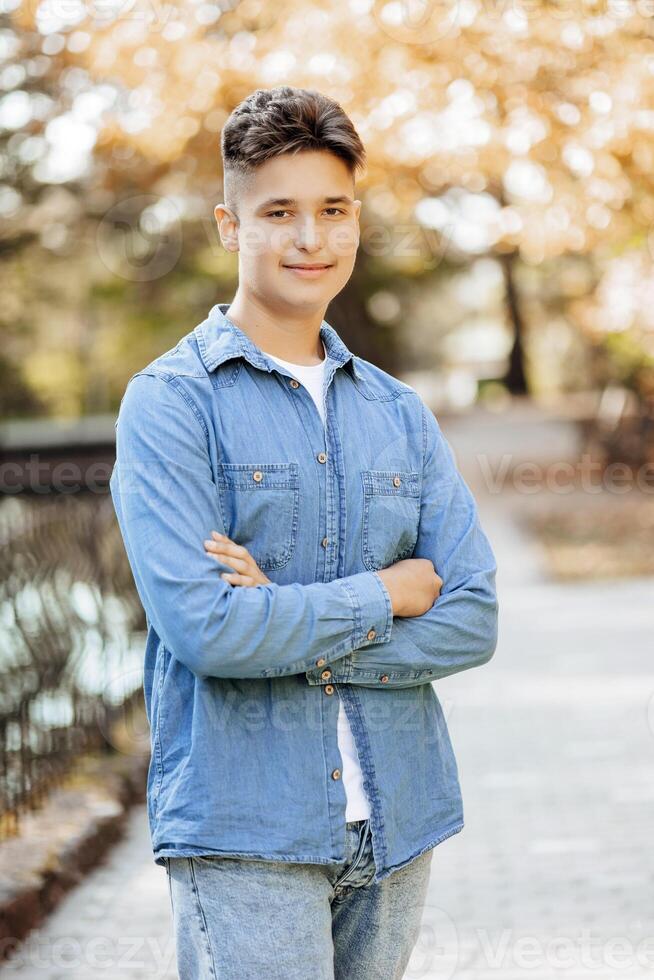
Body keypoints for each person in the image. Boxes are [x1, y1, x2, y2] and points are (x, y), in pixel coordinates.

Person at [109, 85, 499, 980]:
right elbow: (208, 630)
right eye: (279, 212)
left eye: (334, 211)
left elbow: (473, 616)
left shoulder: (400, 413)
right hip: (246, 831)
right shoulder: (171, 405)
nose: (311, 240)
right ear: (228, 226)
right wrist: (384, 596)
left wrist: (283, 619)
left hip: (399, 817)